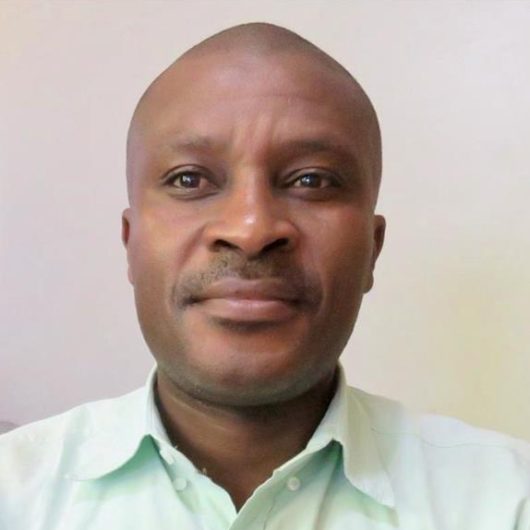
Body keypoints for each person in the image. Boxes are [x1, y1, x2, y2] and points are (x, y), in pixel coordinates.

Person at [0, 22, 529, 530]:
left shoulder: (509, 501)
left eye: (312, 180)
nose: (251, 229)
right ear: (130, 242)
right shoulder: (13, 494)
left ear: (372, 249)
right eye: (189, 179)